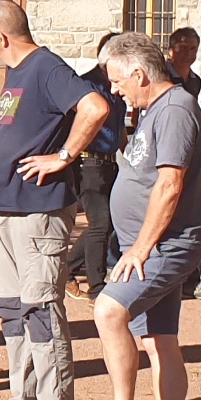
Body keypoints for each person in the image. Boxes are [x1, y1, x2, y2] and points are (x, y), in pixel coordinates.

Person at [0, 0, 114, 400]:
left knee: (40, 309)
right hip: (7, 208)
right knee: (12, 308)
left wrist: (63, 155)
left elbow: (95, 107)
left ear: (0, 37)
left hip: (39, 211)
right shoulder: (17, 75)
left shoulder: (46, 68)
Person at [84, 34, 201, 400]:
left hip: (164, 246)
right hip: (150, 243)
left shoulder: (174, 110)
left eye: (117, 81)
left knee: (108, 310)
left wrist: (140, 248)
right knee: (159, 341)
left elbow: (170, 184)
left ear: (139, 73)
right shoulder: (156, 110)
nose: (114, 90)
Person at [67, 34, 131, 301]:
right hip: (88, 162)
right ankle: (96, 286)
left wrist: (130, 159)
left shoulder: (117, 86)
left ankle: (66, 270)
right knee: (100, 222)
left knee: (108, 223)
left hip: (109, 164)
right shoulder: (87, 84)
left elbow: (120, 129)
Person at [163, 27, 201, 301]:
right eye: (184, 47)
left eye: (194, 48)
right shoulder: (161, 77)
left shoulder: (195, 81)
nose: (189, 54)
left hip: (189, 153)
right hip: (164, 152)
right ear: (172, 48)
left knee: (190, 214)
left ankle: (191, 279)